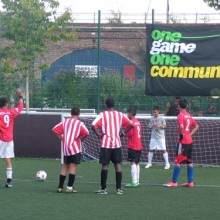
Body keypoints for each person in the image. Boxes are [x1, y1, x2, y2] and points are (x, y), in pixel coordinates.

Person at [91, 98, 134, 195]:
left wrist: (98, 135)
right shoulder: (119, 115)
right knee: (117, 165)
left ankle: (103, 189)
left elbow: (93, 125)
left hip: (106, 143)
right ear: (114, 105)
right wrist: (123, 133)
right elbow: (131, 124)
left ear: (106, 105)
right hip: (117, 143)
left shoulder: (103, 115)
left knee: (105, 165)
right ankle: (118, 189)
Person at [52, 107, 89, 193]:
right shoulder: (79, 123)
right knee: (73, 166)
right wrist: (81, 139)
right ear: (79, 114)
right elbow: (87, 133)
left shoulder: (65, 122)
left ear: (70, 113)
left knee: (65, 166)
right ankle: (69, 187)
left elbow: (54, 129)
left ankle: (60, 187)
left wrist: (63, 139)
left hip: (66, 148)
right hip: (75, 148)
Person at [163, 99, 199, 188]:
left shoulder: (180, 116)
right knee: (189, 161)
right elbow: (197, 126)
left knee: (177, 161)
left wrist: (182, 136)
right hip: (190, 141)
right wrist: (189, 134)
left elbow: (182, 127)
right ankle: (190, 182)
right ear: (186, 106)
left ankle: (174, 182)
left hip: (183, 142)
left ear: (178, 106)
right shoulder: (189, 115)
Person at [0, 88, 24, 188]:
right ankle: (9, 181)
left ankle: (9, 181)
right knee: (7, 159)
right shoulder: (11, 112)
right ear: (6, 104)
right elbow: (20, 107)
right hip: (9, 140)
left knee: (6, 158)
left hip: (1, 139)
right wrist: (20, 96)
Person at [123, 108, 143, 188]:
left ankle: (134, 181)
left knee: (132, 163)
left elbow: (129, 134)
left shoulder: (131, 123)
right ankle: (137, 180)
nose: (127, 115)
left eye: (128, 113)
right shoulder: (137, 121)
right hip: (138, 144)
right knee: (137, 162)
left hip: (133, 145)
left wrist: (125, 131)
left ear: (131, 114)